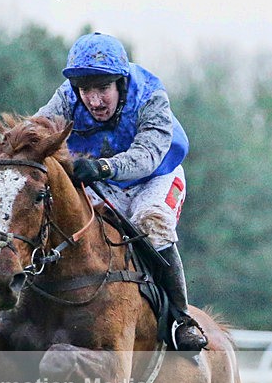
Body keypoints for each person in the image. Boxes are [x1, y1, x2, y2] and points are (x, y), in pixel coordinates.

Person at [36, 32, 207, 351]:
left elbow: (147, 156)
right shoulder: (65, 98)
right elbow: (36, 131)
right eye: (86, 90)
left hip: (157, 175)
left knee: (151, 223)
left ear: (120, 83)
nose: (94, 101)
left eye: (102, 89)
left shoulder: (151, 95)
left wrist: (101, 167)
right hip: (106, 180)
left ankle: (182, 321)